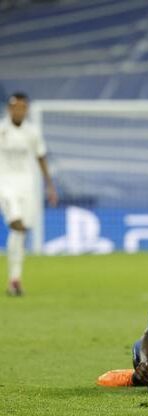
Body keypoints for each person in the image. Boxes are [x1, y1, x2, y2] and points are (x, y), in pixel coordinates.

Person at [0, 92, 58, 296]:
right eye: (15, 107)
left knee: (20, 231)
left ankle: (14, 279)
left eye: (22, 108)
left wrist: (49, 185)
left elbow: (41, 157)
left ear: (26, 109)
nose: (19, 111)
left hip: (27, 185)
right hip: (4, 183)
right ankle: (14, 278)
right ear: (9, 109)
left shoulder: (32, 132)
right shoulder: (1, 129)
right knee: (15, 221)